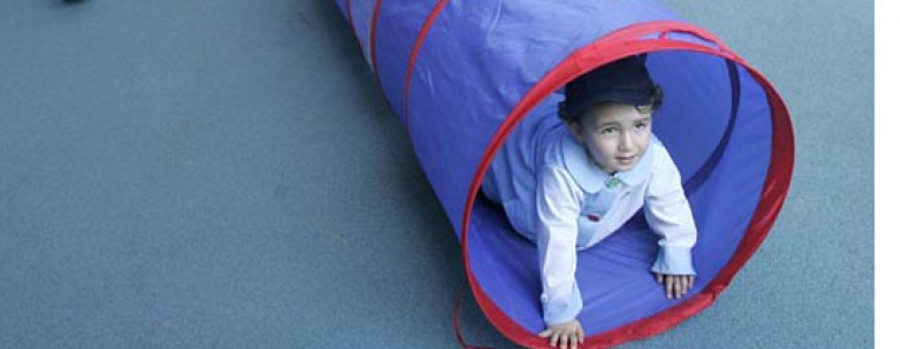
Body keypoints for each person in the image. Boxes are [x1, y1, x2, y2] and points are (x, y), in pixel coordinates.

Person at [480, 55, 698, 349]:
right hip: (519, 168)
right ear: (578, 131)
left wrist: (677, 248)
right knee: (492, 164)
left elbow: (670, 199)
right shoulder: (560, 168)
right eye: (610, 130)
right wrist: (560, 310)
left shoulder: (652, 155)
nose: (628, 144)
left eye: (640, 125)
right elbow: (556, 236)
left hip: (583, 191)